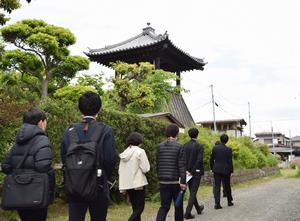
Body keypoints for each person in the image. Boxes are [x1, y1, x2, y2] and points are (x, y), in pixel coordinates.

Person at [61, 91, 117, 221]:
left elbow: (64, 157)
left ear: (80, 108)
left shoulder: (70, 131)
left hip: (74, 185)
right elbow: (110, 159)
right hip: (98, 184)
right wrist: (104, 177)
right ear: (99, 108)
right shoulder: (106, 130)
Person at [1, 108, 55, 221]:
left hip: (19, 193)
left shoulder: (17, 141)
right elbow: (43, 166)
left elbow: (6, 167)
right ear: (41, 122)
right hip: (37, 191)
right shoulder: (42, 140)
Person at [156, 124, 187, 221]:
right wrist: (183, 182)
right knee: (178, 206)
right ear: (176, 133)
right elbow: (182, 166)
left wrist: (160, 177)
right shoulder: (180, 146)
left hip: (163, 181)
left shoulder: (159, 146)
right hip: (175, 182)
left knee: (164, 206)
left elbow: (158, 164)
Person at [118, 132, 150, 221]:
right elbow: (146, 168)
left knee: (135, 208)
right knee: (140, 208)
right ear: (139, 141)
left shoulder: (124, 152)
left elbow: (121, 170)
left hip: (127, 184)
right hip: (138, 184)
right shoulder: (140, 151)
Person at [184, 128, 204, 219]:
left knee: (192, 191)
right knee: (193, 192)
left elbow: (182, 160)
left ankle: (198, 209)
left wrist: (187, 171)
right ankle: (187, 212)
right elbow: (199, 160)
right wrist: (192, 172)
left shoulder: (184, 146)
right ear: (197, 135)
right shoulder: (199, 146)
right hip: (195, 173)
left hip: (187, 173)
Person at [210, 134, 234, 209]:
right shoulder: (229, 149)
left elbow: (211, 159)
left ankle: (217, 204)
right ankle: (229, 201)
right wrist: (231, 171)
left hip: (216, 170)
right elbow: (230, 161)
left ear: (220, 139)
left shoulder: (215, 148)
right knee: (227, 186)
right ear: (227, 140)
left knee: (217, 187)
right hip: (226, 170)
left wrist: (212, 168)